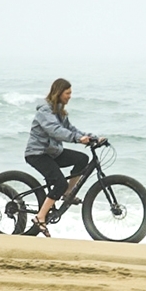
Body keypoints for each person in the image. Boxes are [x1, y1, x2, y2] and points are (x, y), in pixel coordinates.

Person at [24, 78, 96, 237]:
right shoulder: (45, 111)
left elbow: (70, 129)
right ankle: (40, 217)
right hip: (38, 154)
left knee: (82, 159)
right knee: (60, 183)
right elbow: (55, 130)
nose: (70, 96)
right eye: (67, 93)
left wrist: (91, 137)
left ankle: (67, 194)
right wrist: (77, 139)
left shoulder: (59, 110)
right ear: (59, 93)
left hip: (53, 152)